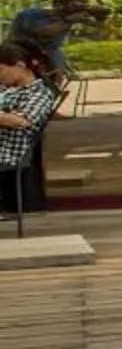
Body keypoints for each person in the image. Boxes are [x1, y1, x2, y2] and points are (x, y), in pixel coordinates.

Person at [0, 42, 60, 220]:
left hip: (7, 151)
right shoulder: (7, 89)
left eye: (1, 69)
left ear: (20, 65)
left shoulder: (39, 93)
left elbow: (21, 121)